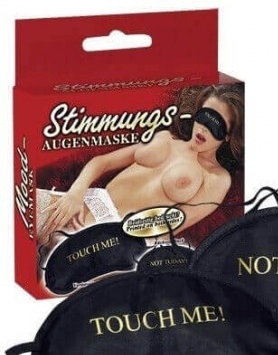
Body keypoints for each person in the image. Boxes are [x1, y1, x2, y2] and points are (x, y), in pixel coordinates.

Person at [38, 84, 244, 243]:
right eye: (204, 117)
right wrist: (76, 193)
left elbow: (170, 227)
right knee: (24, 214)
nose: (204, 129)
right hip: (88, 202)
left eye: (216, 126)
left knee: (51, 279)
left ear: (228, 135)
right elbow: (102, 162)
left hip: (119, 236)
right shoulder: (166, 138)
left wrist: (116, 243)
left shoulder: (217, 178)